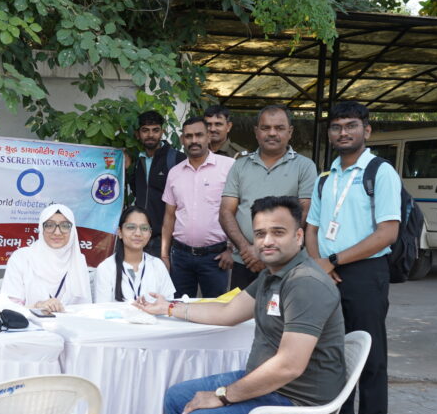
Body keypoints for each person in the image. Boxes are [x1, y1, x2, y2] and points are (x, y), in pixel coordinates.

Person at [136, 196, 346, 414]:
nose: (267, 241)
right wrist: (169, 307)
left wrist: (221, 395)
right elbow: (228, 312)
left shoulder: (306, 282)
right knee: (178, 397)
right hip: (274, 389)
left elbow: (289, 365)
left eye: (278, 232)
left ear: (299, 236)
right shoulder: (273, 275)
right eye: (261, 233)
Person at [306, 101, 400, 414]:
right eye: (336, 127)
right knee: (330, 354)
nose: (342, 133)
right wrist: (318, 265)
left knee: (370, 359)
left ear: (367, 130)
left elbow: (387, 232)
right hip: (325, 273)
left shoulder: (381, 172)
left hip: (363, 274)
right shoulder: (324, 178)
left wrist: (336, 261)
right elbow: (312, 228)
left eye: (350, 126)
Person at [220, 105, 318, 289]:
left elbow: (306, 212)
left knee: (281, 316)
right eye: (266, 128)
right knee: (239, 316)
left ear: (290, 132)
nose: (272, 133)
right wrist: (246, 249)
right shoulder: (240, 166)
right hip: (245, 260)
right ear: (257, 132)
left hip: (285, 264)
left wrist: (271, 252)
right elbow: (226, 212)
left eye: (279, 128)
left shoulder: (305, 166)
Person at [161, 116, 235, 298]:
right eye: (189, 136)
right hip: (180, 257)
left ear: (208, 136)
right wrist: (164, 255)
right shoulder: (175, 173)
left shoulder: (229, 167)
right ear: (182, 139)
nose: (194, 141)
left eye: (199, 135)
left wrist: (232, 250)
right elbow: (169, 216)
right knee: (178, 310)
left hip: (216, 257)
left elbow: (239, 211)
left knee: (215, 312)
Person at [1, 203, 93, 312]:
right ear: (41, 228)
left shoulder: (78, 260)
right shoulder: (21, 258)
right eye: (49, 225)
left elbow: (85, 309)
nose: (57, 232)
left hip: (69, 326)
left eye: (65, 226)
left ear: (72, 231)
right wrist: (38, 306)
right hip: (29, 326)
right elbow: (8, 307)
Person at [125, 111, 184, 255]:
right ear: (138, 134)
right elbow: (138, 192)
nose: (150, 135)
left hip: (166, 240)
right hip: (139, 237)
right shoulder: (138, 161)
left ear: (162, 132)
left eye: (155, 130)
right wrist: (126, 170)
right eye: (145, 130)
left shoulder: (177, 160)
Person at [93, 206, 174, 303]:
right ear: (120, 232)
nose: (138, 233)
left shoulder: (157, 265)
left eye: (144, 228)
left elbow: (168, 304)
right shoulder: (105, 268)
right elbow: (102, 312)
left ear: (150, 233)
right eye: (131, 227)